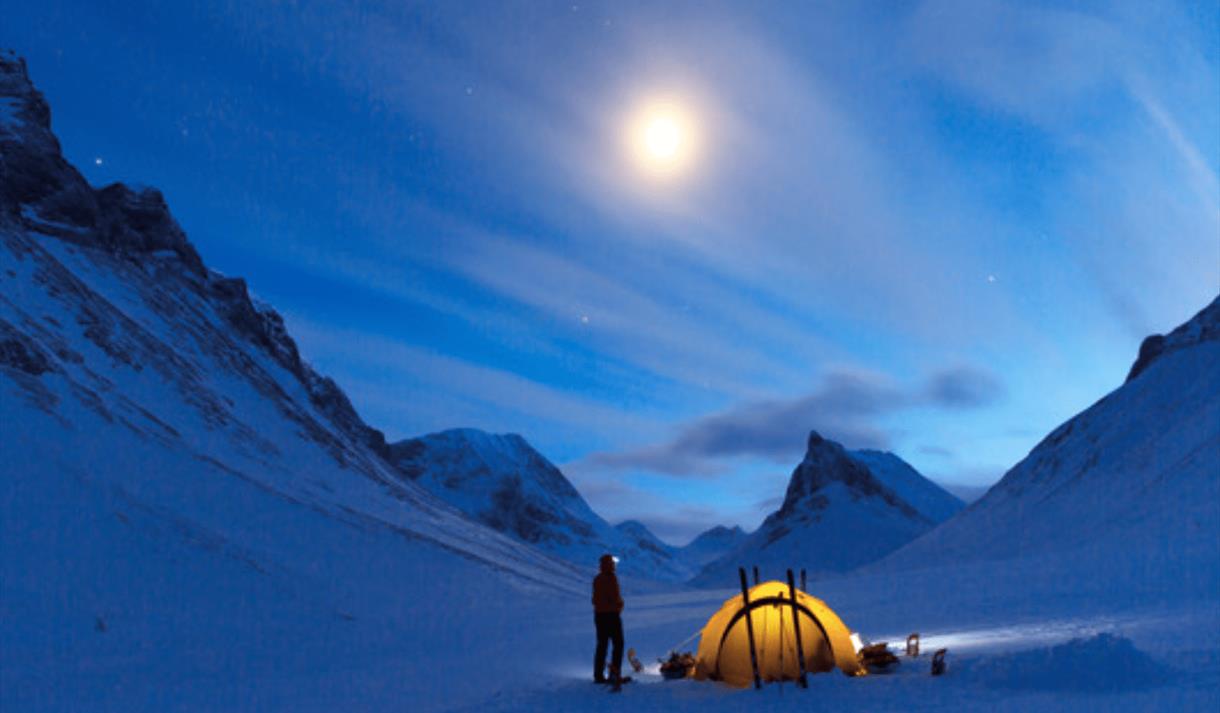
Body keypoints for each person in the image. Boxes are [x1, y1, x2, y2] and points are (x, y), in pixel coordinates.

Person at [592, 553, 625, 684]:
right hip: (611, 616)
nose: (614, 565)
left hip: (599, 616)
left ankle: (598, 675)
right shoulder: (611, 578)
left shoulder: (597, 579)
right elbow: (615, 598)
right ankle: (614, 674)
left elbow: (595, 599)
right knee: (618, 644)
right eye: (612, 563)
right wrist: (620, 605)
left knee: (602, 645)